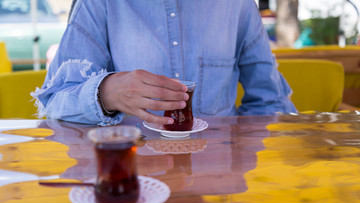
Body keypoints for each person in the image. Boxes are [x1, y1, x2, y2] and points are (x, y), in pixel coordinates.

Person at [32, 0, 297, 126]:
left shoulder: (237, 5)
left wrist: (243, 161)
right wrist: (106, 94)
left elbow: (271, 102)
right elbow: (54, 100)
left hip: (220, 197)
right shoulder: (99, 3)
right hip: (130, 182)